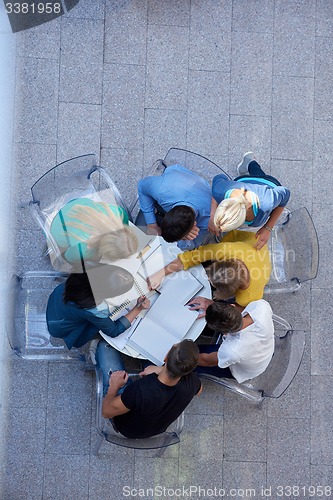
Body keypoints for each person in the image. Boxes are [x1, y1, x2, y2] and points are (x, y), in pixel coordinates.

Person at [96, 339, 202, 439]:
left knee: (104, 346)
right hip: (158, 429)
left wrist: (114, 386)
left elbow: (106, 412)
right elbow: (199, 390)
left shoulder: (140, 389)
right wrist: (160, 369)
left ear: (165, 358)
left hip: (127, 429)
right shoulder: (193, 381)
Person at [147, 229, 272, 307]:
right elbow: (191, 257)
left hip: (258, 251)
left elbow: (241, 310)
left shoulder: (248, 298)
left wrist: (211, 304)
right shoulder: (224, 249)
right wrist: (160, 273)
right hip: (247, 241)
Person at [46, 265, 150, 349]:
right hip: (62, 327)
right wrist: (138, 308)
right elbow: (114, 331)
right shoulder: (95, 310)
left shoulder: (84, 271)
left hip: (58, 299)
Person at [209, 152, 290, 250]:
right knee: (256, 172)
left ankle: (250, 161)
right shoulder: (219, 191)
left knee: (259, 175)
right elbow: (219, 178)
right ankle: (250, 162)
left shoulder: (267, 202)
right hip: (244, 180)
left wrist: (268, 228)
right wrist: (212, 216)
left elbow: (285, 194)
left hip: (268, 184)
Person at [194, 299, 275, 383]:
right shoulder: (261, 306)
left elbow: (206, 360)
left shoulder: (232, 351)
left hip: (251, 369)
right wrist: (212, 304)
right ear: (232, 306)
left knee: (192, 355)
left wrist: (181, 351)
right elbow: (242, 308)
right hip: (266, 348)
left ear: (224, 333)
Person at [137, 163, 212, 250]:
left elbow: (193, 247)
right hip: (173, 182)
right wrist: (152, 225)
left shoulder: (209, 220)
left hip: (202, 192)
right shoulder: (162, 190)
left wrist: (185, 240)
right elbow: (142, 186)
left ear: (195, 224)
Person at [50, 198, 138, 265]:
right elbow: (68, 257)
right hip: (57, 229)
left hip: (76, 205)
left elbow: (125, 223)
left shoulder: (119, 213)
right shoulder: (84, 249)